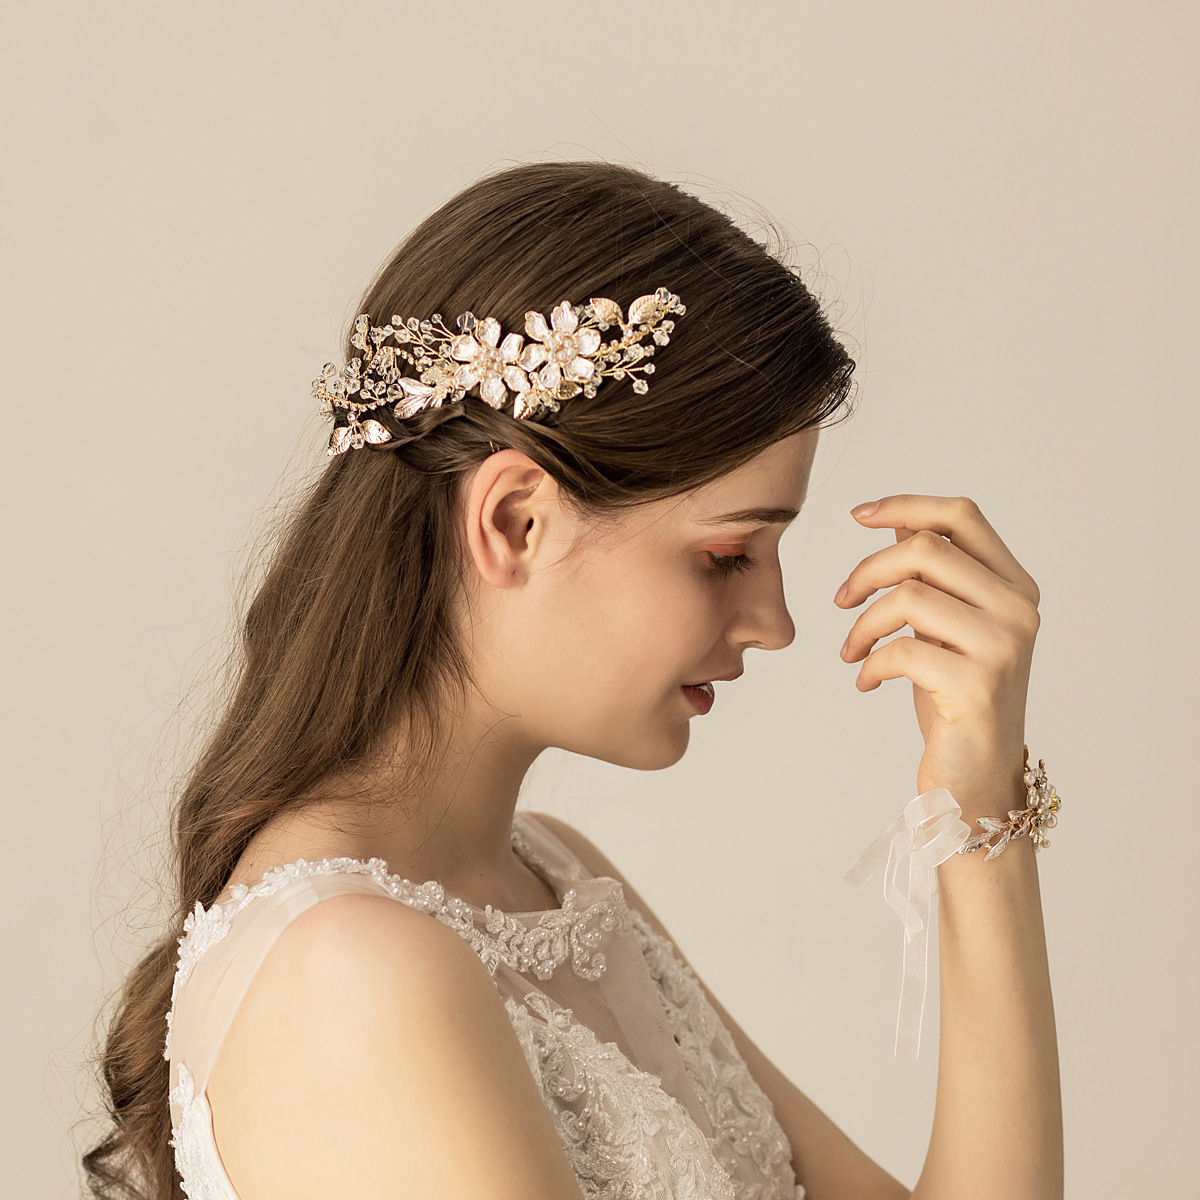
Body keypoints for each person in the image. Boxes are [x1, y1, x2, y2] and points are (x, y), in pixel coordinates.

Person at [83, 160, 1062, 1200]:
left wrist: (978, 809)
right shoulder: (353, 974)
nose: (775, 623)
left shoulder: (556, 880)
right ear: (515, 522)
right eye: (729, 554)